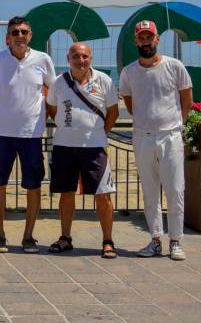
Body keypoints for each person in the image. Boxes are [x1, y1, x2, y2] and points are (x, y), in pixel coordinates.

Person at [119, 20, 192, 261]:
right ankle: (155, 240)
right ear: (135, 41)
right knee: (149, 191)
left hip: (170, 136)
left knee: (175, 190)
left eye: (149, 36)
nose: (146, 41)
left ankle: (176, 241)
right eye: (141, 37)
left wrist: (176, 125)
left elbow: (186, 100)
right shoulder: (129, 71)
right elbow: (130, 104)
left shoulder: (175, 66)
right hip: (142, 137)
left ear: (157, 39)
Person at [0, 16, 55, 253]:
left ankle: (28, 237)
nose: (19, 36)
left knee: (33, 186)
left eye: (24, 32)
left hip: (32, 135)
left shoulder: (43, 60)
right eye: (15, 32)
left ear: (30, 35)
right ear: (7, 37)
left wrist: (48, 117)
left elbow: (53, 92)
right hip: (1, 134)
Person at [46, 43, 119, 258]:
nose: (81, 60)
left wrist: (98, 131)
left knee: (103, 195)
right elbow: (51, 109)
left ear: (91, 58)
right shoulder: (58, 83)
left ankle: (107, 240)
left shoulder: (104, 80)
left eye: (85, 56)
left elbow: (113, 112)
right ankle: (65, 237)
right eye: (76, 56)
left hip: (95, 147)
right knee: (66, 193)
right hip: (64, 145)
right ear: (68, 58)